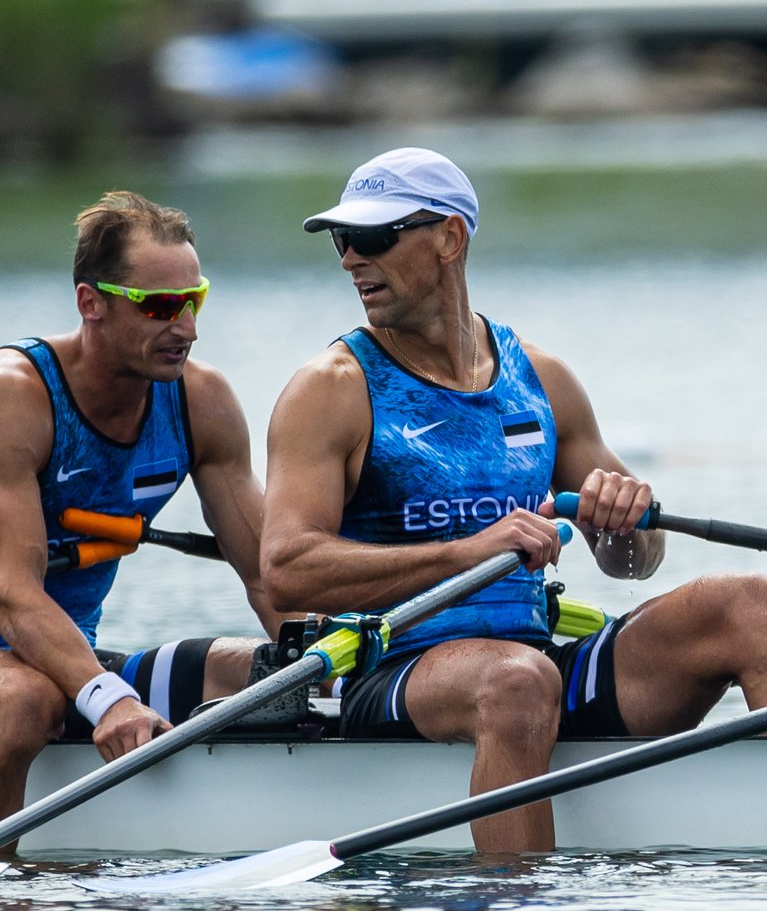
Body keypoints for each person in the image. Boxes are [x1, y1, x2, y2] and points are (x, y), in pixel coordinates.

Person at [260, 146, 767, 854]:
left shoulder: (540, 377)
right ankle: (515, 895)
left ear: (449, 237)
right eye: (342, 241)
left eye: (373, 237)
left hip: (532, 661)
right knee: (517, 682)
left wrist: (623, 519)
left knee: (750, 604)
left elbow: (636, 563)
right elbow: (285, 567)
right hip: (390, 670)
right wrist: (465, 552)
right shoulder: (331, 388)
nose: (350, 259)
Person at [0, 191, 280, 849]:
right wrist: (105, 699)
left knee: (261, 673)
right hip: (21, 663)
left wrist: (335, 664)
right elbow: (15, 598)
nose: (185, 326)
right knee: (24, 702)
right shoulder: (17, 398)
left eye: (195, 300)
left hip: (60, 659)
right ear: (89, 303)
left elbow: (271, 576)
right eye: (158, 306)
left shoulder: (200, 401)